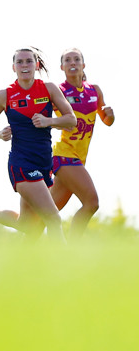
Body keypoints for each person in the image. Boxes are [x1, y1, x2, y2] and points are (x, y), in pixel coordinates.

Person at [0, 47, 77, 241]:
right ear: (13, 67)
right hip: (22, 163)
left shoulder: (49, 89)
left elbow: (71, 119)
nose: (24, 65)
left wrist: (49, 121)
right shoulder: (4, 95)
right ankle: (66, 265)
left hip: (44, 162)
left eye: (29, 61)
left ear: (36, 65)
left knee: (27, 226)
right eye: (20, 62)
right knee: (53, 218)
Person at [50, 47, 115, 236]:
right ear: (62, 67)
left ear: (83, 65)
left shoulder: (94, 90)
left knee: (42, 215)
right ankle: (73, 253)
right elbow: (43, 120)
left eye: (76, 59)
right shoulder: (58, 91)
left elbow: (106, 120)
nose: (72, 63)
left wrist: (110, 116)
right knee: (91, 202)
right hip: (64, 155)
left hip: (79, 159)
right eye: (68, 60)